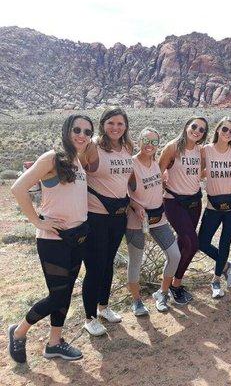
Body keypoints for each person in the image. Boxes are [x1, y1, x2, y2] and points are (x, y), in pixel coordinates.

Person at [8, 114, 93, 362]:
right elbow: (18, 188)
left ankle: (54, 343)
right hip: (53, 239)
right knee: (57, 295)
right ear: (67, 131)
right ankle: (19, 332)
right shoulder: (52, 158)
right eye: (77, 129)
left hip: (78, 236)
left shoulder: (78, 161)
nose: (82, 135)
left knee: (65, 294)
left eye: (87, 132)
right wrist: (36, 221)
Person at [80, 107, 134, 336]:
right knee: (95, 266)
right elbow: (74, 173)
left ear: (125, 127)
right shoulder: (92, 147)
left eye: (120, 124)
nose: (115, 128)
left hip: (119, 214)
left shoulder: (127, 147)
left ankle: (104, 307)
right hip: (96, 215)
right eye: (111, 123)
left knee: (109, 262)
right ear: (103, 124)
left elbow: (128, 178)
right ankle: (89, 316)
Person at [126, 128, 181, 315]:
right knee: (136, 262)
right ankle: (137, 301)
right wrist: (135, 205)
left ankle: (162, 293)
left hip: (159, 219)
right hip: (136, 221)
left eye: (154, 142)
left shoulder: (157, 165)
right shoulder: (131, 164)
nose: (150, 145)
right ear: (138, 141)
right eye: (146, 140)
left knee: (174, 255)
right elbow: (122, 193)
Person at [159, 117, 208, 305]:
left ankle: (168, 285)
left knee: (183, 245)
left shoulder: (200, 151)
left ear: (204, 134)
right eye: (194, 126)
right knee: (192, 243)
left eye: (201, 129)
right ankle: (176, 285)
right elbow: (158, 171)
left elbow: (199, 171)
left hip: (195, 202)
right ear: (186, 126)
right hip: (174, 201)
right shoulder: (172, 148)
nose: (196, 130)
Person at [197, 118, 231, 298]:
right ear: (218, 130)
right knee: (202, 242)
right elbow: (198, 172)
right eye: (225, 129)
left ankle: (216, 280)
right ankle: (226, 265)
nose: (227, 133)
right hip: (213, 205)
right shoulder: (206, 151)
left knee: (225, 242)